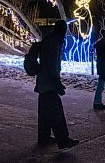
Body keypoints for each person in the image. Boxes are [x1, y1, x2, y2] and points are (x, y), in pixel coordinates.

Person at [34, 19, 79, 149]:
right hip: (49, 83)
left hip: (43, 82)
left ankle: (44, 137)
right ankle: (63, 140)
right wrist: (57, 84)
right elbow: (51, 65)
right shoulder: (54, 43)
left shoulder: (48, 40)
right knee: (56, 112)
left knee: (45, 112)